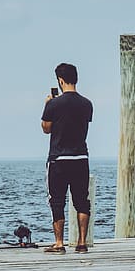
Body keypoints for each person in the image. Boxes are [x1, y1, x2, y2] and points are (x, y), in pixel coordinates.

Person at [40, 63, 93, 254]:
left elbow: (46, 128)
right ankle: (81, 243)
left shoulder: (53, 104)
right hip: (80, 157)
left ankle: (59, 243)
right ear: (76, 78)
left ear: (60, 81)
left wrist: (47, 105)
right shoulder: (87, 104)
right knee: (82, 201)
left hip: (58, 158)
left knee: (57, 200)